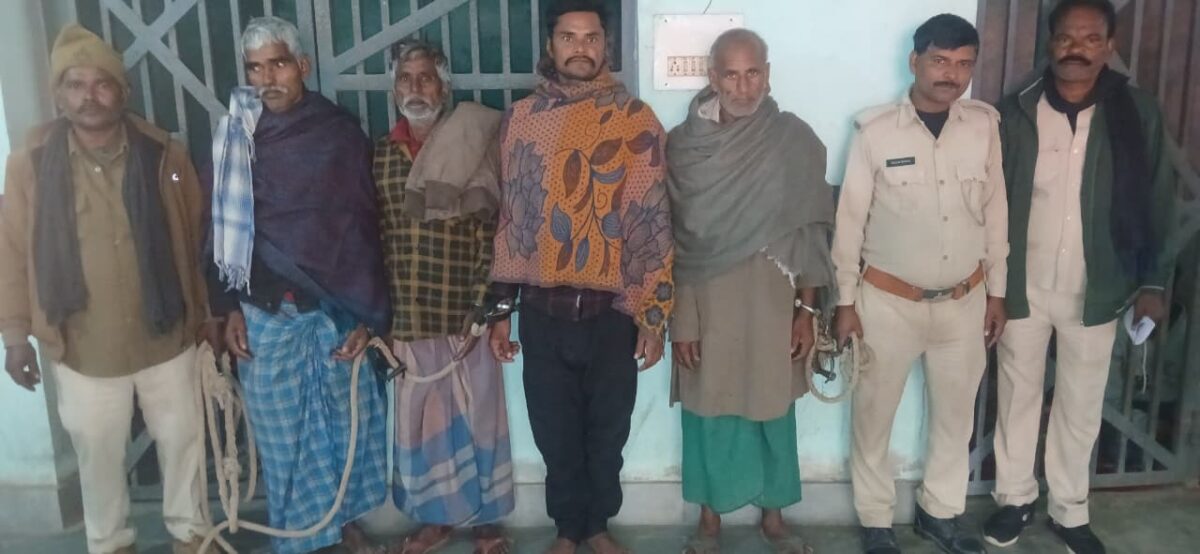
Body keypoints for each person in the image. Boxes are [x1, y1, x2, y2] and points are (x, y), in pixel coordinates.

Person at [0, 24, 210, 554]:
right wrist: (15, 335)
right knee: (97, 457)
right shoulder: (30, 164)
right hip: (83, 344)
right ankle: (110, 542)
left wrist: (207, 316)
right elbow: (11, 249)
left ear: (123, 91)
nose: (88, 96)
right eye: (75, 85)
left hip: (167, 336)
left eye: (101, 83)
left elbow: (196, 238)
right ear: (58, 95)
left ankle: (192, 537)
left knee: (185, 442)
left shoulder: (163, 155)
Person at [983, 2, 1175, 553]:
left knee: (1081, 404)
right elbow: (990, 198)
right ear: (1050, 44)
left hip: (1099, 287)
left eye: (1091, 39)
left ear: (1109, 47)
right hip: (1021, 284)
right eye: (1067, 37)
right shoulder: (1017, 111)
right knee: (1016, 395)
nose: (1077, 49)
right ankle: (1014, 500)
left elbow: (1159, 197)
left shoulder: (1137, 113)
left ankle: (1069, 510)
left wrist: (1153, 282)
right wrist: (990, 281)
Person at [485, 1, 675, 552]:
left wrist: (653, 316)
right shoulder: (521, 120)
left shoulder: (636, 120)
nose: (580, 48)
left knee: (608, 430)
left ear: (605, 46)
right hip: (542, 312)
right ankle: (567, 529)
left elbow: (652, 221)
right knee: (554, 431)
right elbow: (513, 219)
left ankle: (597, 527)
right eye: (568, 37)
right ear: (551, 47)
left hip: (611, 314)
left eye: (591, 38)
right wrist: (500, 312)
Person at [205, 16, 391, 554]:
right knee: (282, 436)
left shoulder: (337, 133)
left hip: (333, 307)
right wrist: (227, 307)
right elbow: (219, 228)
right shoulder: (235, 133)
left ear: (303, 66)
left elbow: (362, 225)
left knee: (345, 427)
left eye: (279, 64)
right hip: (263, 312)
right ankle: (301, 539)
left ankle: (345, 526)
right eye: (255, 68)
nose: (268, 78)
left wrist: (363, 314)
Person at [831, 14, 1009, 554]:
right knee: (873, 418)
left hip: (964, 301)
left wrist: (997, 292)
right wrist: (844, 302)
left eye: (963, 64)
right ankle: (876, 522)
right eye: (940, 61)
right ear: (915, 61)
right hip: (887, 302)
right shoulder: (876, 131)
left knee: (955, 419)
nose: (951, 74)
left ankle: (940, 514)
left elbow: (996, 213)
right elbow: (849, 222)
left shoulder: (983, 127)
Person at [666, 28, 833, 554]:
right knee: (708, 411)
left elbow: (811, 233)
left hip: (773, 301)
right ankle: (709, 519)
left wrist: (807, 312)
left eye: (752, 73)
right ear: (713, 77)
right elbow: (675, 243)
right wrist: (682, 323)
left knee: (773, 407)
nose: (743, 87)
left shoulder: (794, 139)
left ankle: (774, 517)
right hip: (706, 303)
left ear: (768, 74)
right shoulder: (684, 146)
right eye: (731, 75)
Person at [373, 39, 514, 554]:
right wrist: (375, 314)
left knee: (480, 417)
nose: (415, 88)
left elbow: (494, 231)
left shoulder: (474, 144)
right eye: (405, 79)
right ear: (394, 89)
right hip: (407, 312)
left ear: (444, 87)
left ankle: (485, 522)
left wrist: (487, 308)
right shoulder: (381, 155)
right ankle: (436, 519)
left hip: (466, 312)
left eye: (426, 77)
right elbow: (372, 234)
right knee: (423, 423)